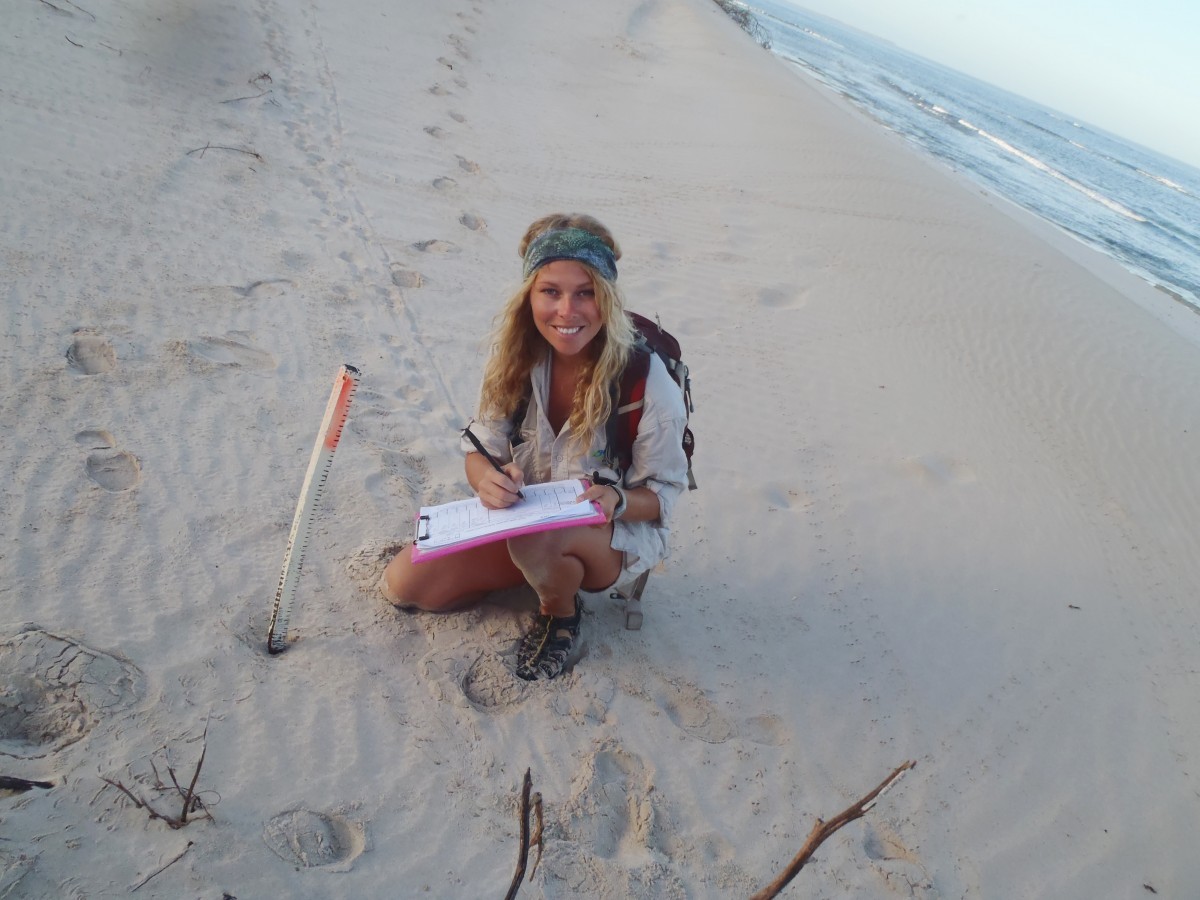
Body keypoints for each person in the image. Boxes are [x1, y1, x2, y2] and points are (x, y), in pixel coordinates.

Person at [382, 213, 689, 680]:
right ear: (529, 295)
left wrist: (618, 499)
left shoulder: (647, 384)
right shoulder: (515, 359)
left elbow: (663, 497)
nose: (567, 311)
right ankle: (538, 570)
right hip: (527, 520)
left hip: (610, 534)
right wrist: (487, 480)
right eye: (551, 291)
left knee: (541, 539)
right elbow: (479, 451)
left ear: (606, 298)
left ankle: (560, 614)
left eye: (585, 292)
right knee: (406, 584)